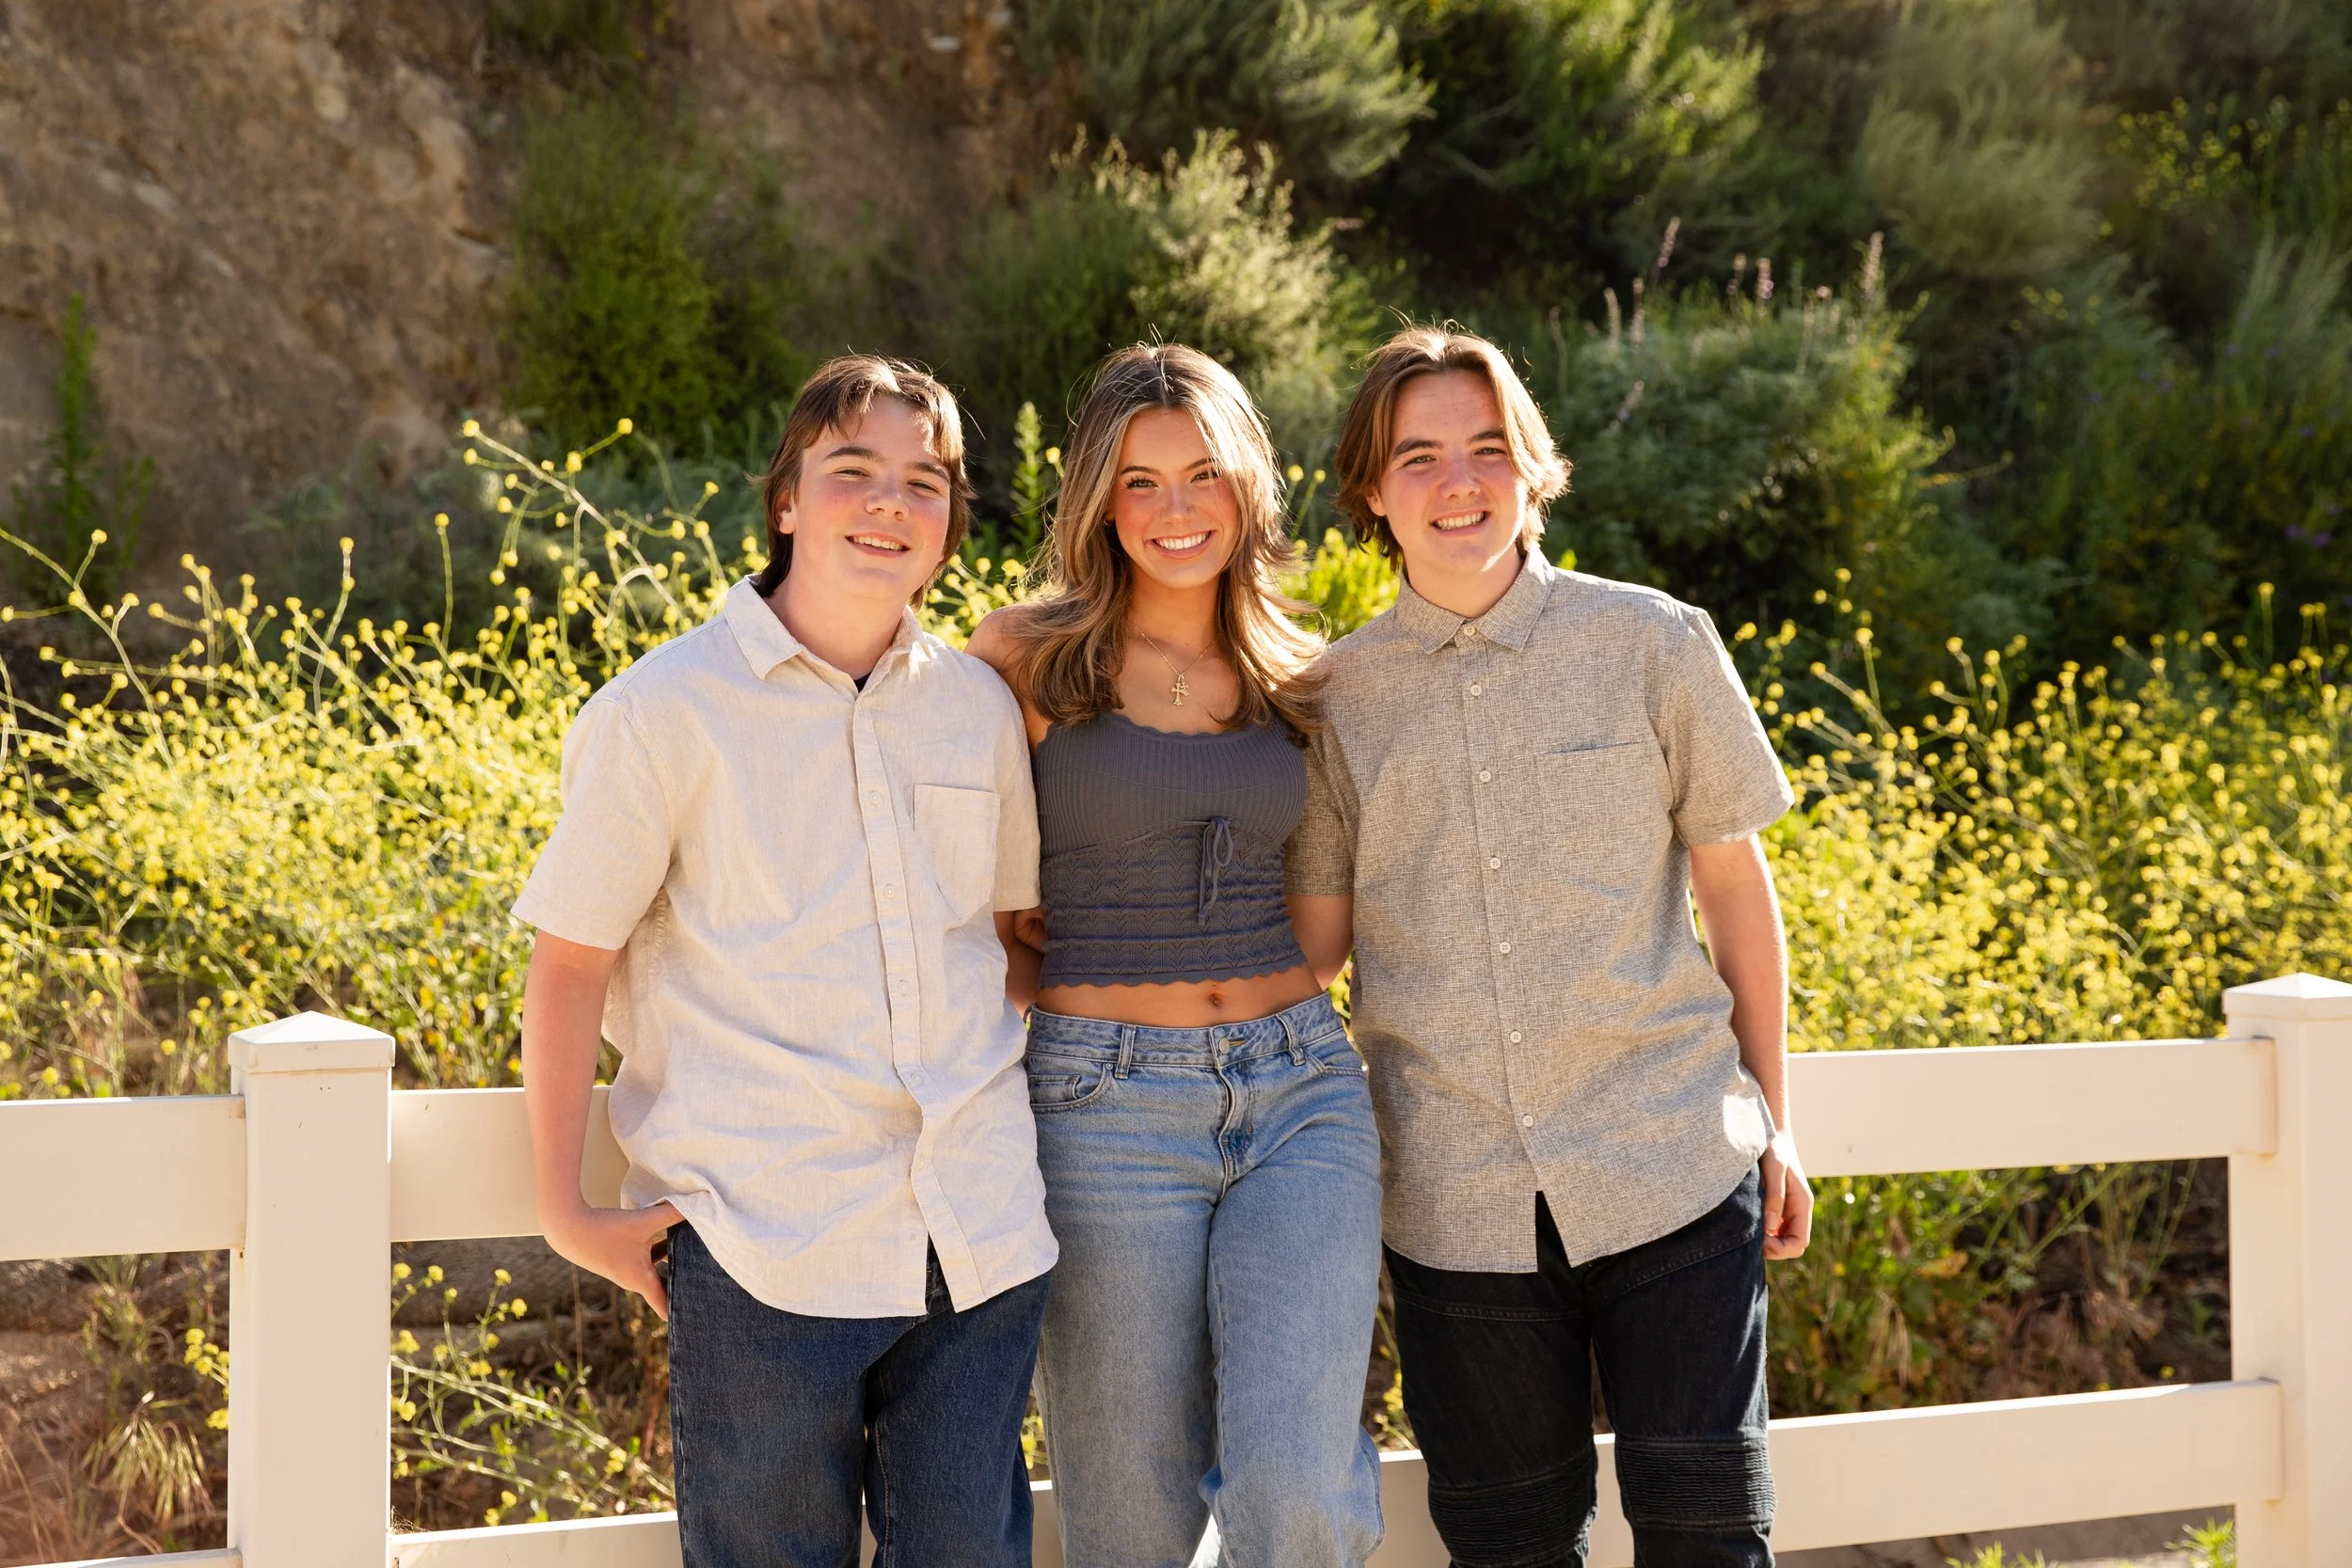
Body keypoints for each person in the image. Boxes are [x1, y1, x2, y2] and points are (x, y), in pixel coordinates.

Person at [513, 356, 1054, 1568]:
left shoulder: (978, 707)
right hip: (763, 1251)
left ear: (952, 523)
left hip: (976, 1243)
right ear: (788, 501)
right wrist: (566, 1209)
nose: (889, 503)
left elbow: (1013, 943)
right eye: (852, 470)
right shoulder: (663, 713)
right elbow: (568, 964)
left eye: (924, 481)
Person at [1285, 326, 1812, 1568]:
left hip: (1673, 1166)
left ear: (1534, 468)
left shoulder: (1654, 644)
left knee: (1710, 1540)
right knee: (1512, 1551)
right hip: (1452, 1202)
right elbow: (1306, 956)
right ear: (1371, 491)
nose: (1457, 481)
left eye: (1486, 448)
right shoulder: (1331, 702)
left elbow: (1739, 892)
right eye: (1418, 456)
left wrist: (1780, 1119)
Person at [966, 343, 1384, 1568]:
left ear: (1247, 484)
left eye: (1201, 474)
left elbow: (1322, 920)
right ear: (1098, 498)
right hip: (1102, 1106)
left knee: (1297, 1483)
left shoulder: (1296, 675)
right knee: (1132, 1518)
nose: (1174, 509)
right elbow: (959, 884)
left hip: (1300, 1084)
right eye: (1139, 481)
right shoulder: (1023, 658)